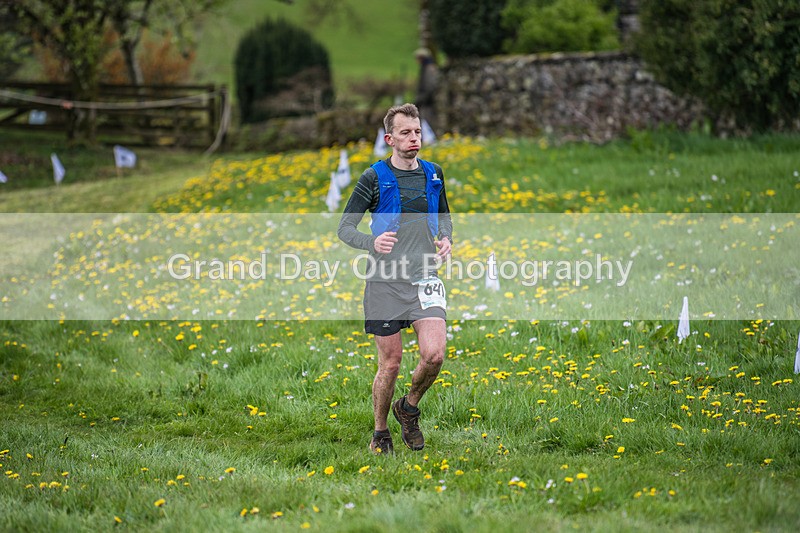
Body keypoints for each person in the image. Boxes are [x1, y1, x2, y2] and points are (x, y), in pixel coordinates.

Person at [337, 103, 453, 454]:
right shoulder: (373, 177)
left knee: (434, 356)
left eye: (417, 131)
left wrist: (446, 238)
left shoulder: (434, 174)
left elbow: (444, 216)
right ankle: (380, 431)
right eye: (405, 132)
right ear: (390, 138)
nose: (413, 138)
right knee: (390, 363)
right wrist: (371, 241)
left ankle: (409, 406)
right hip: (385, 281)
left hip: (424, 278)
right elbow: (344, 228)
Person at [414, 47, 440, 133]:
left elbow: (430, 87)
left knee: (427, 125)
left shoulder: (430, 69)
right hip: (425, 102)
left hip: (428, 103)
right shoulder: (426, 68)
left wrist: (420, 99)